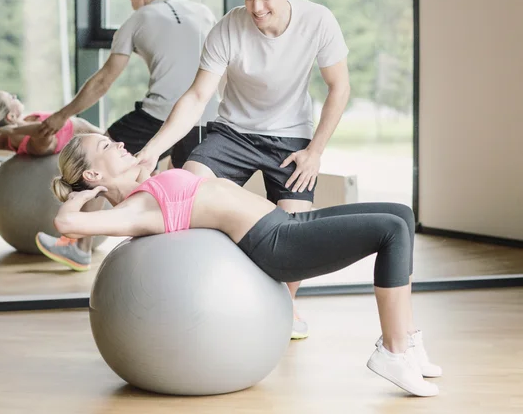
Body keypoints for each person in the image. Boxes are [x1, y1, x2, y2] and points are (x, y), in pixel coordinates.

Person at [38, 133, 442, 397]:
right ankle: (392, 350)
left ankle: (410, 338)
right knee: (390, 231)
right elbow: (66, 222)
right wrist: (78, 195)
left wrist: (109, 174)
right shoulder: (135, 209)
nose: (118, 143)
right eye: (106, 147)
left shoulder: (146, 183)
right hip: (276, 243)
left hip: (284, 222)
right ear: (92, 172)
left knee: (401, 214)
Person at [135, 0, 351, 339]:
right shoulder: (227, 27)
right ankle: (191, 297)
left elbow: (339, 87)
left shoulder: (318, 20)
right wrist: (153, 148)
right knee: (187, 187)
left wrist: (315, 151)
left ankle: (284, 307)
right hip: (232, 131)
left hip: (291, 137)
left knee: (294, 229)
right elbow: (197, 97)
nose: (256, 8)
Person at [35, 0, 220, 257]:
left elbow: (103, 81)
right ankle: (186, 258)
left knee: (95, 158)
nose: (132, 2)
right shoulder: (203, 11)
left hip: (160, 114)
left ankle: (77, 246)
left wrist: (62, 115)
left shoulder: (137, 19)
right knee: (183, 190)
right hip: (207, 115)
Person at [0, 90, 100, 156]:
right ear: (11, 116)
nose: (15, 96)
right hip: (95, 141)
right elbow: (43, 130)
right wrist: (12, 130)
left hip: (93, 133)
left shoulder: (4, 138)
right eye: (11, 98)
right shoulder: (33, 142)